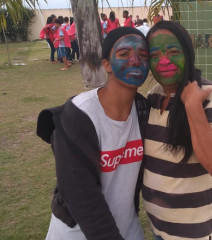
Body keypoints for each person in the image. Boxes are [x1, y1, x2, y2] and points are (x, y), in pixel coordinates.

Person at [37, 27, 150, 240]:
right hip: (78, 232)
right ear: (106, 64)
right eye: (124, 54)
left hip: (128, 227)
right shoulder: (79, 116)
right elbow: (81, 197)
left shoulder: (144, 111)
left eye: (143, 55)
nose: (135, 60)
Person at [142, 21, 212, 240]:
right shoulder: (153, 96)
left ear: (188, 53)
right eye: (155, 55)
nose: (163, 61)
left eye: (173, 52)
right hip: (159, 228)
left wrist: (193, 105)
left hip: (196, 232)